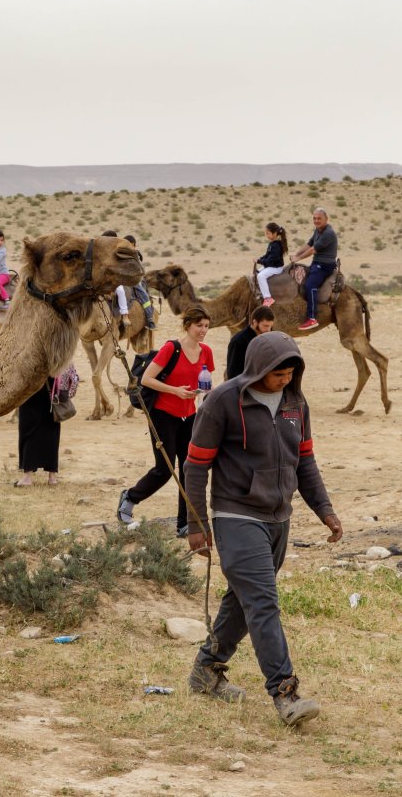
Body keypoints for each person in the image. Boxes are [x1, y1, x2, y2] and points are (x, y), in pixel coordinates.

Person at [184, 331, 343, 726]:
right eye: (278, 374)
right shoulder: (222, 401)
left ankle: (207, 670)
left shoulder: (295, 404)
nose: (285, 380)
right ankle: (285, 693)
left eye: (291, 373)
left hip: (279, 518)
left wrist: (325, 509)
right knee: (264, 601)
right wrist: (196, 522)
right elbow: (195, 465)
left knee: (245, 600)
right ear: (257, 369)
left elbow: (305, 463)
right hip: (235, 515)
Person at [117, 306, 214, 535]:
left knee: (189, 470)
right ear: (188, 326)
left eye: (206, 326)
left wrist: (205, 399)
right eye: (199, 325)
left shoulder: (206, 352)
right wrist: (175, 391)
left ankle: (184, 524)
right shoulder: (173, 348)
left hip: (190, 416)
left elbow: (207, 382)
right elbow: (147, 379)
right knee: (165, 468)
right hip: (163, 414)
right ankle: (130, 497)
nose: (203, 330)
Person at [17, 367, 76, 486]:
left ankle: (27, 476)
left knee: (28, 427)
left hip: (33, 382)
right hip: (53, 388)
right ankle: (52, 477)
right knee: (51, 429)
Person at [293, 208, 337, 330]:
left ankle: (312, 318)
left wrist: (299, 258)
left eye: (319, 218)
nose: (316, 221)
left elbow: (313, 250)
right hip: (316, 263)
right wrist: (296, 255)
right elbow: (309, 244)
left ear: (326, 219)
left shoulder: (328, 233)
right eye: (314, 218)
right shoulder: (318, 230)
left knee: (310, 285)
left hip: (324, 265)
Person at [226, 305, 275, 380]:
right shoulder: (238, 341)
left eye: (270, 326)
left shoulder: (268, 337)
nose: (269, 330)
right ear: (254, 322)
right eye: (265, 326)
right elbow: (233, 374)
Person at [256, 222, 287, 307]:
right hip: (271, 265)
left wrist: (260, 261)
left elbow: (271, 260)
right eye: (266, 233)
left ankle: (268, 298)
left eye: (268, 233)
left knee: (260, 276)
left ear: (275, 233)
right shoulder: (272, 244)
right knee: (257, 272)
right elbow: (267, 256)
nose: (267, 235)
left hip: (276, 268)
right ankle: (259, 292)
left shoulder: (277, 245)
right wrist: (259, 259)